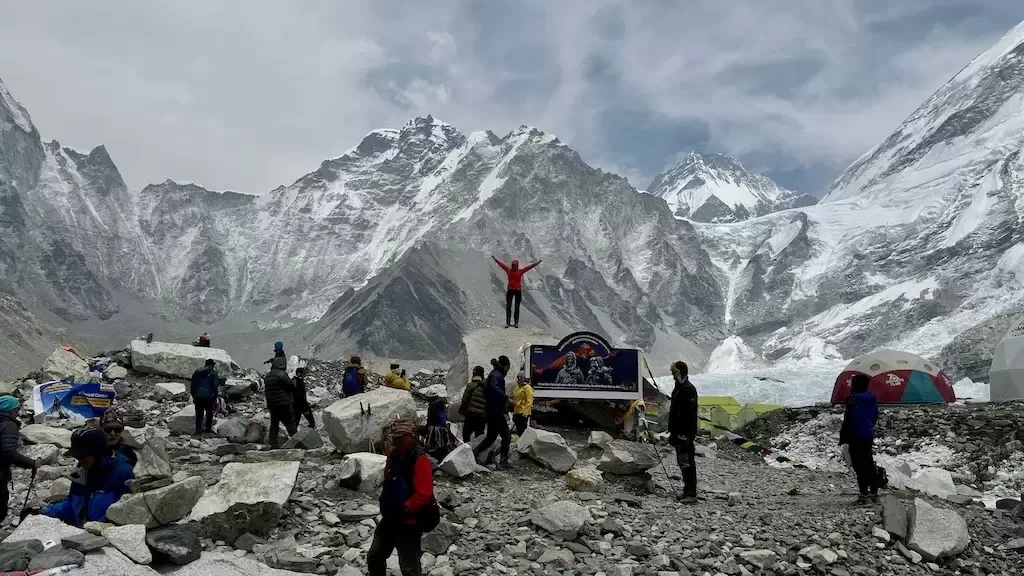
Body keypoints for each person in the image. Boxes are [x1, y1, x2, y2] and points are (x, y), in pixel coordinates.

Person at [368, 419, 434, 576]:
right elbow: (388, 478)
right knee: (375, 556)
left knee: (409, 566)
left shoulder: (420, 459)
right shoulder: (394, 454)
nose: (395, 440)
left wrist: (406, 507)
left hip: (409, 520)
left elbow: (424, 493)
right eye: (395, 437)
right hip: (391, 516)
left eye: (400, 437)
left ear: (411, 437)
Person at [43, 427, 134, 527]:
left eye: (83, 455)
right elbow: (71, 506)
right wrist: (47, 511)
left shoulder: (123, 473)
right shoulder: (82, 470)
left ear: (98, 452)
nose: (80, 460)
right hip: (85, 536)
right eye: (77, 456)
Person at [840, 373, 880, 504]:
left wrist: (843, 437)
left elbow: (848, 420)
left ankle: (864, 495)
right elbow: (874, 416)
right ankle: (874, 493)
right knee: (868, 462)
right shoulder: (872, 399)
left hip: (855, 435)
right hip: (867, 434)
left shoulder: (853, 400)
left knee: (859, 464)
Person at [0, 396, 41, 522]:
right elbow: (8, 451)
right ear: (10, 410)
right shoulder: (8, 425)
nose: (18, 412)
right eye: (17, 408)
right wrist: (31, 463)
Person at [473, 356, 513, 470]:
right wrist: (505, 397)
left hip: (491, 410)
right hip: (496, 411)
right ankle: (503, 460)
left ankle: (475, 453)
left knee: (491, 437)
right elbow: (494, 388)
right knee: (506, 435)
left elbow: (487, 389)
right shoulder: (497, 375)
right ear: (506, 366)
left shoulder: (494, 373)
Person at [668, 361, 698, 504]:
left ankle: (691, 493)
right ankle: (687, 490)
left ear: (681, 372)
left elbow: (691, 414)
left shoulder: (688, 389)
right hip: (677, 433)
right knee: (682, 462)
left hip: (684, 434)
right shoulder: (678, 388)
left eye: (674, 373)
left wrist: (687, 434)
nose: (673, 376)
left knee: (687, 462)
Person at [492, 256, 541, 328]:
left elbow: (529, 267)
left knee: (516, 307)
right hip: (512, 290)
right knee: (509, 306)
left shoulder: (517, 271)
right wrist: (495, 259)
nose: (514, 266)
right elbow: (502, 265)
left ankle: (515, 323)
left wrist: (537, 263)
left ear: (517, 265)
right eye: (513, 265)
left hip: (516, 291)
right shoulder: (511, 271)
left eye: (515, 265)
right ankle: (508, 323)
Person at [264, 356, 297, 447]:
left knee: (274, 425)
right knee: (291, 424)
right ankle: (297, 442)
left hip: (272, 405)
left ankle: (273, 444)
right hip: (284, 404)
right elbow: (291, 386)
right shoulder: (282, 374)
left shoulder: (268, 376)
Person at [190, 359, 219, 435]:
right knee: (209, 413)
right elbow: (215, 386)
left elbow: (192, 386)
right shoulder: (213, 373)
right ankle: (208, 429)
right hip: (209, 397)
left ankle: (198, 430)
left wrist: (194, 396)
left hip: (198, 396)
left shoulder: (197, 372)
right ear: (212, 365)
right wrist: (214, 397)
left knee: (199, 414)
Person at [458, 366, 487, 442]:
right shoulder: (486, 386)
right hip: (482, 415)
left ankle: (467, 450)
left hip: (471, 413)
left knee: (466, 434)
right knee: (479, 435)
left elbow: (465, 400)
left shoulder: (470, 385)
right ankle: (477, 451)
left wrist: (462, 410)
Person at [512, 371, 534, 436]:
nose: (518, 379)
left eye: (520, 378)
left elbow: (529, 401)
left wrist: (526, 413)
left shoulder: (527, 388)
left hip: (523, 413)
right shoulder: (518, 387)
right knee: (518, 430)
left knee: (523, 431)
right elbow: (516, 397)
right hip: (517, 411)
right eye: (518, 378)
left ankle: (523, 444)